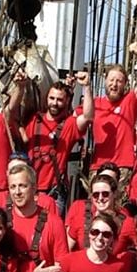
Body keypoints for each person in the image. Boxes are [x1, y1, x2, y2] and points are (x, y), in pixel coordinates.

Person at [18, 73, 94, 202]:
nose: (54, 103)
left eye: (59, 100)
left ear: (66, 101)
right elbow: (12, 118)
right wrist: (20, 87)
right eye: (51, 98)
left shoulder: (69, 125)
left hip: (54, 192)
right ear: (46, 98)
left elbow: (88, 117)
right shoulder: (34, 120)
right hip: (29, 190)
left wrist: (86, 87)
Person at [88, 43, 137, 177]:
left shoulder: (129, 101)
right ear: (105, 81)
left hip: (123, 166)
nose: (114, 84)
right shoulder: (94, 104)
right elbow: (77, 120)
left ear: (125, 84)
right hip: (98, 166)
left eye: (119, 81)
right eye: (111, 80)